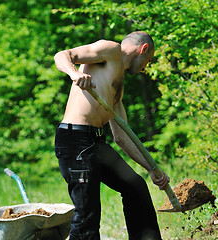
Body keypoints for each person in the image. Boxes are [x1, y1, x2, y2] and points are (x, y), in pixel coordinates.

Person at [54, 31, 170, 240]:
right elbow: (63, 55)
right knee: (87, 216)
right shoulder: (110, 50)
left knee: (136, 187)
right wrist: (74, 74)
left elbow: (123, 136)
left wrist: (152, 168)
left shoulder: (118, 83)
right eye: (148, 60)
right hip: (75, 142)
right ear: (143, 49)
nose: (146, 67)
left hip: (96, 143)